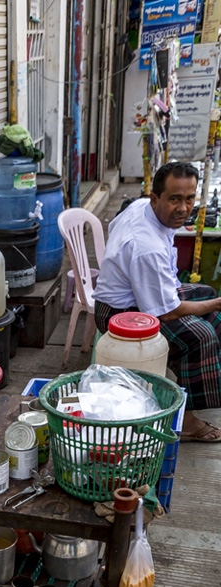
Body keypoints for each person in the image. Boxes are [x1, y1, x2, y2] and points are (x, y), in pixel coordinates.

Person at [93, 160, 221, 442]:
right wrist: (216, 305)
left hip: (136, 296)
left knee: (206, 295)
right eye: (174, 199)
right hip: (118, 314)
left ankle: (201, 380)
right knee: (200, 335)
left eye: (190, 199)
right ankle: (187, 420)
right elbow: (170, 311)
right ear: (155, 198)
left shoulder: (140, 206)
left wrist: (213, 303)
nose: (184, 209)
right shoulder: (145, 247)